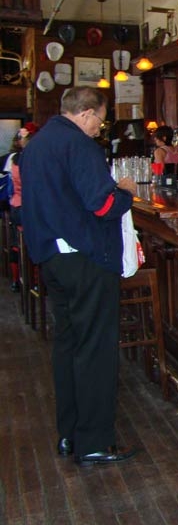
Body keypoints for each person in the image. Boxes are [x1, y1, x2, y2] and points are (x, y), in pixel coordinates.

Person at [20, 86, 139, 466]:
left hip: (51, 258)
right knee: (96, 350)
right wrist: (126, 193)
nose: (98, 129)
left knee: (67, 345)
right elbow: (102, 205)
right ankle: (94, 441)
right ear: (86, 113)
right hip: (85, 257)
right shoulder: (79, 146)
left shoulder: (35, 145)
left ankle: (69, 434)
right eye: (99, 121)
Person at [6, 122, 39, 291]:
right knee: (35, 241)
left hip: (16, 207)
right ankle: (36, 282)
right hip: (30, 208)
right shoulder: (34, 159)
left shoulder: (15, 159)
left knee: (15, 243)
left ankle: (16, 280)